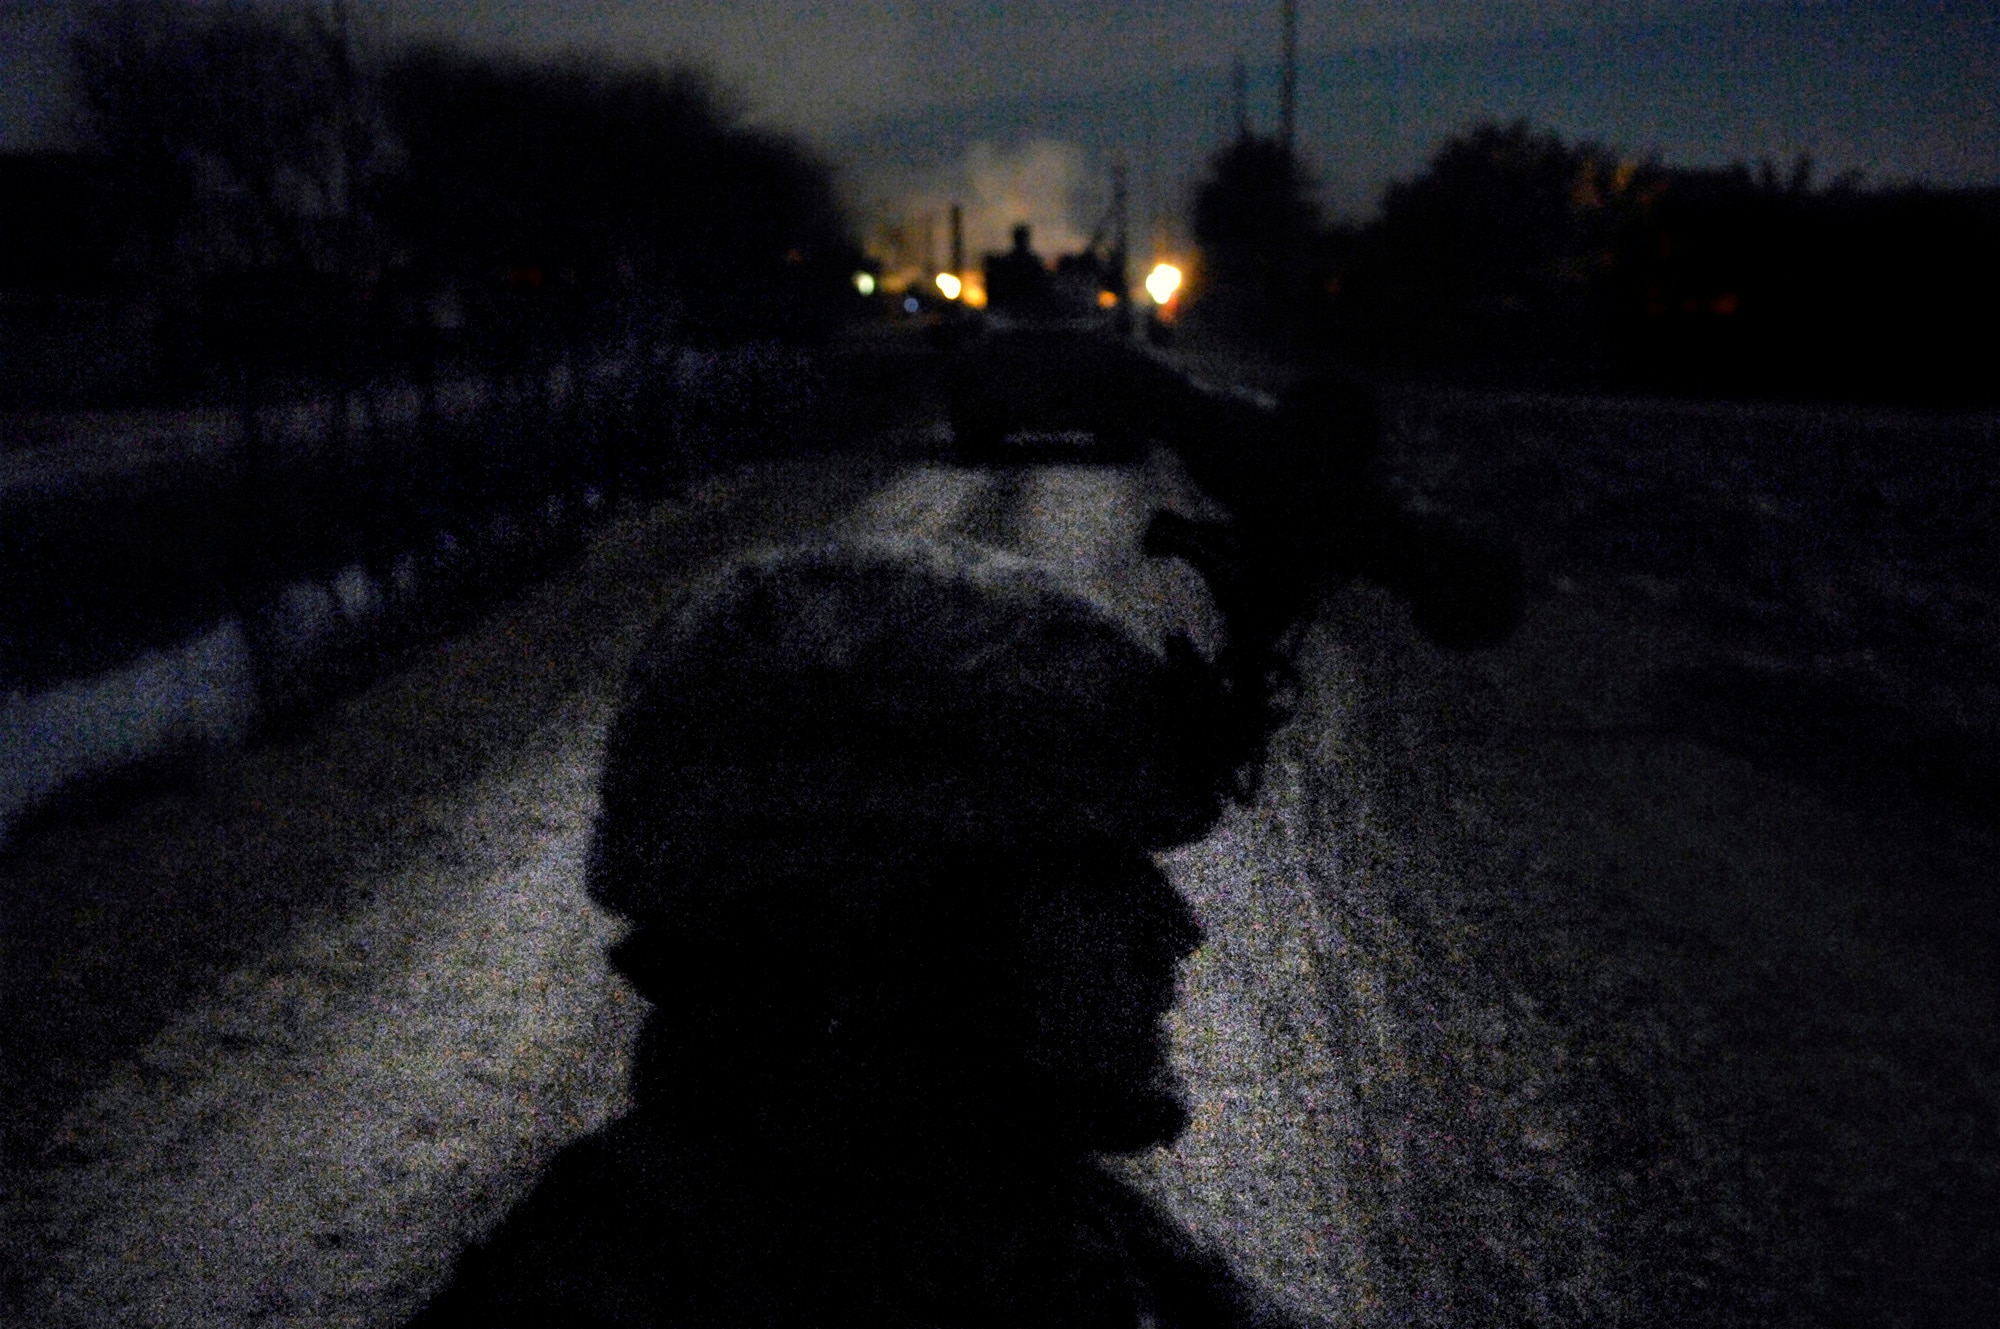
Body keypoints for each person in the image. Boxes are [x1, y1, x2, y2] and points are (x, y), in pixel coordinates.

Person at [406, 535, 1297, 1328]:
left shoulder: (1050, 1233)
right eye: (1098, 870)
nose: (1174, 929)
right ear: (878, 919)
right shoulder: (609, 1288)